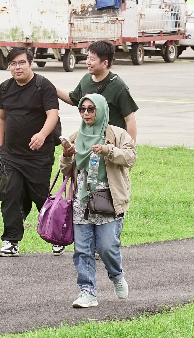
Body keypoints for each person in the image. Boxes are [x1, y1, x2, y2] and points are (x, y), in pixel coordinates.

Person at [59, 94, 136, 308]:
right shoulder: (76, 136)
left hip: (108, 200)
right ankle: (87, 291)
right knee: (82, 249)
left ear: (101, 110)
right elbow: (65, 170)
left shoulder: (117, 134)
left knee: (106, 247)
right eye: (82, 109)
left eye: (91, 109)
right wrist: (66, 155)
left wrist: (107, 150)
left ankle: (116, 275)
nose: (86, 113)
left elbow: (131, 157)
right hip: (81, 201)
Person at [0, 47, 60, 257]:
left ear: (30, 63)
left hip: (39, 157)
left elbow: (53, 115)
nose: (17, 67)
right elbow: (1, 118)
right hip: (11, 155)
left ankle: (56, 236)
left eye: (21, 62)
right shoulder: (4, 88)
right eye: (13, 64)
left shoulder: (43, 86)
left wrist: (41, 135)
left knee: (40, 196)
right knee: (10, 195)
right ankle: (10, 241)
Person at [56, 41, 139, 143]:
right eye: (87, 58)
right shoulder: (86, 79)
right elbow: (74, 99)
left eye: (92, 59)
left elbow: (129, 119)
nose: (88, 62)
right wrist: (52, 89)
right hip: (89, 140)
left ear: (105, 63)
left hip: (110, 143)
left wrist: (130, 148)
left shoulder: (118, 86)